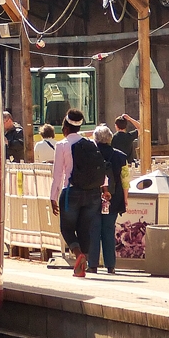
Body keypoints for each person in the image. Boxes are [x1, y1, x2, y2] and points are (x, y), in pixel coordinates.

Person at [49, 108, 105, 278]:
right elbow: (99, 168)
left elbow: (58, 174)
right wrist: (104, 188)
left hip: (71, 192)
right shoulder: (91, 144)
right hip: (93, 194)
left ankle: (78, 254)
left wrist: (53, 197)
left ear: (65, 127)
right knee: (84, 229)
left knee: (66, 228)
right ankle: (82, 265)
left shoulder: (62, 145)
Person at [88, 125, 128, 274]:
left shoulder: (90, 155)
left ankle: (92, 264)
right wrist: (125, 199)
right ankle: (110, 265)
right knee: (109, 230)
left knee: (94, 230)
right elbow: (125, 181)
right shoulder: (121, 156)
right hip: (114, 198)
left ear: (96, 139)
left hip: (93, 197)